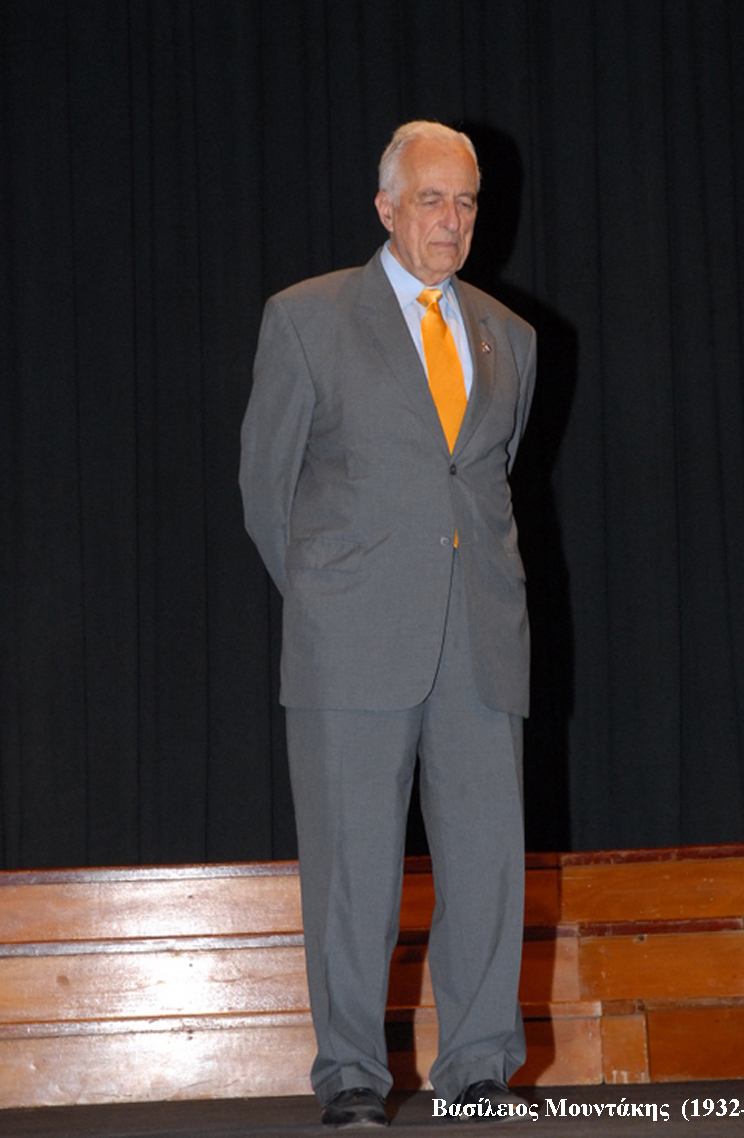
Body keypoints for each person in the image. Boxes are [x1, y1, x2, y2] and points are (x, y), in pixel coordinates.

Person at [240, 120, 536, 1128]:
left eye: (465, 202)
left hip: (479, 643)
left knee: (487, 865)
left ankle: (478, 1070)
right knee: (352, 869)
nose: (450, 220)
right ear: (385, 208)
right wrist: (332, 603)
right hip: (351, 646)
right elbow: (265, 494)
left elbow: (481, 483)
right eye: (430, 199)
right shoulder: (306, 319)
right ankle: (353, 1075)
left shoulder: (510, 336)